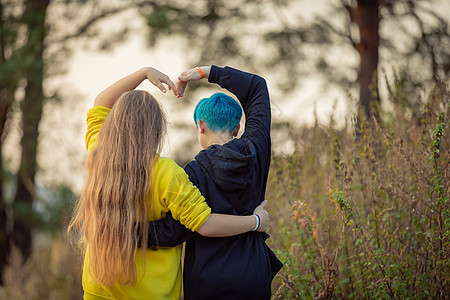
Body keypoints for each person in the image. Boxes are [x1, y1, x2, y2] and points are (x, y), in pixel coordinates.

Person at [67, 66, 270, 300]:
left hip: (100, 290)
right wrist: (256, 221)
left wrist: (144, 73)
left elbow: (101, 101)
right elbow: (203, 223)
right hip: (157, 293)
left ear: (200, 125)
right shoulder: (168, 173)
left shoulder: (97, 154)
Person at [146, 65, 283, 299]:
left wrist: (126, 231)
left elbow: (173, 231)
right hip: (253, 275)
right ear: (237, 128)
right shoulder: (256, 148)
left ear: (201, 126)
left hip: (208, 280)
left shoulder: (191, 174)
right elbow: (257, 87)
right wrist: (203, 72)